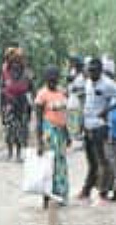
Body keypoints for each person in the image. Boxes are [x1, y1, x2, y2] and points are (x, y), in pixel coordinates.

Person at [79, 57, 116, 205]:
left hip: (100, 127)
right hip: (88, 126)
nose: (91, 73)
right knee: (91, 162)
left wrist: (107, 110)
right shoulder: (88, 82)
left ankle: (103, 193)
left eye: (94, 71)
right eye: (89, 70)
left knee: (103, 161)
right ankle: (86, 191)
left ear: (100, 70)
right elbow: (86, 104)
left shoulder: (108, 84)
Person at [34, 66, 70, 207]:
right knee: (49, 165)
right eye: (50, 80)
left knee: (61, 164)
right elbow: (38, 120)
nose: (53, 82)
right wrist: (39, 142)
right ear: (46, 80)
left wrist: (67, 134)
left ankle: (60, 194)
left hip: (60, 132)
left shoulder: (61, 92)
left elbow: (63, 115)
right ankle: (47, 197)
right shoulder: (41, 95)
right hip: (49, 132)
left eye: (55, 79)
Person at [0, 47, 33, 161]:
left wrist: (29, 108)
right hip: (9, 104)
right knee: (9, 130)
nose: (15, 64)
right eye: (13, 61)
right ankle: (10, 153)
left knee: (20, 129)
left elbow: (31, 89)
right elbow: (1, 89)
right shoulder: (4, 71)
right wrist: (2, 110)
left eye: (17, 61)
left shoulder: (26, 72)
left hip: (21, 103)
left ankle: (18, 154)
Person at [65, 55, 86, 148]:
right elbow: (69, 82)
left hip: (83, 98)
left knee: (83, 119)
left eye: (72, 62)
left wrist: (78, 88)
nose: (70, 64)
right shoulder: (72, 71)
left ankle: (84, 142)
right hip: (74, 98)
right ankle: (77, 138)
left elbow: (89, 85)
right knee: (74, 119)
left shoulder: (84, 72)